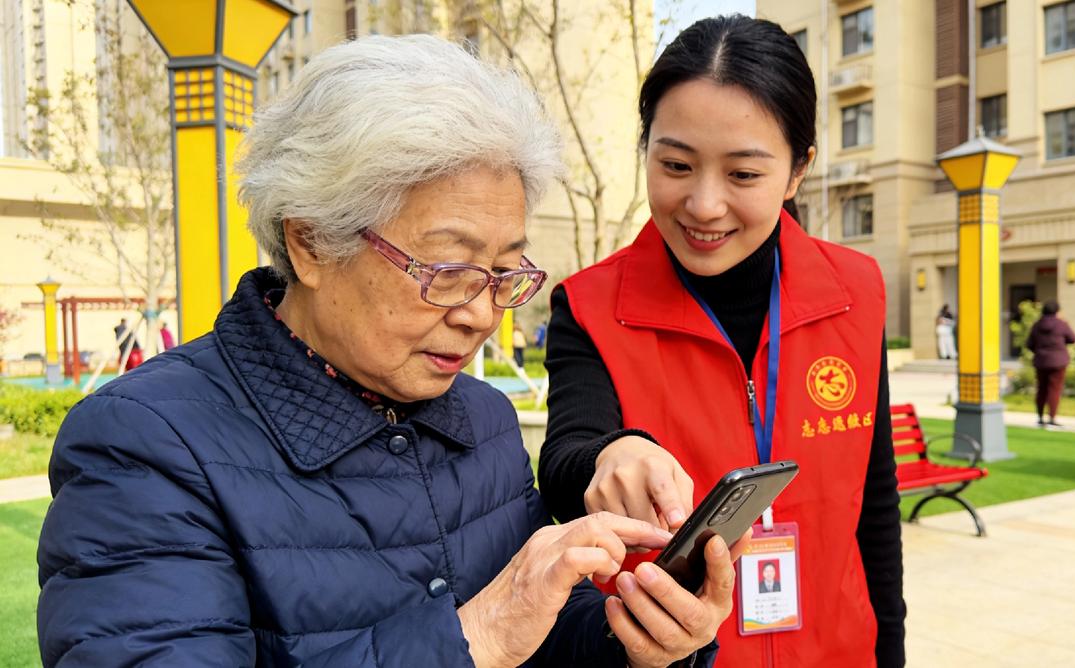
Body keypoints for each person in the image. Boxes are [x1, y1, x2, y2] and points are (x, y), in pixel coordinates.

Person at [37, 35, 733, 667]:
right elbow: (493, 633)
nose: (481, 314)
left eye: (504, 273)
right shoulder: (145, 443)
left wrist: (634, 639)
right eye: (446, 271)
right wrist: (475, 637)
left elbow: (536, 639)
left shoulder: (481, 418)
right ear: (311, 241)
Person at [538, 16, 905, 667]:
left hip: (841, 651)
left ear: (797, 171)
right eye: (676, 164)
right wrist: (612, 453)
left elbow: (874, 508)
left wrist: (892, 653)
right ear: (646, 149)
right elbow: (566, 461)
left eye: (743, 175)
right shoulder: (591, 307)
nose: (704, 205)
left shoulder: (858, 289)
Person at [1025, 300, 1075, 428]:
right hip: (1058, 362)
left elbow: (1029, 344)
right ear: (1057, 311)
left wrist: (1040, 351)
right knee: (1055, 389)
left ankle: (1040, 417)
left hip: (1041, 361)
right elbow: (1072, 338)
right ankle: (1052, 417)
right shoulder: (1061, 324)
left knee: (1041, 389)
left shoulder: (1037, 325)